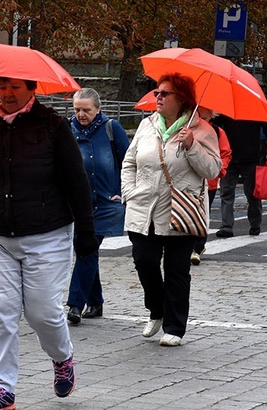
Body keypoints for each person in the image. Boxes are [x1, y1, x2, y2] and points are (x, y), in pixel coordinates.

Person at [0, 77, 98, 409]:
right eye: (1, 86)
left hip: (47, 234)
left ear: (31, 89)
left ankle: (62, 359)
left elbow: (76, 180)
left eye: (14, 87)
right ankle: (2, 389)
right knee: (0, 312)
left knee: (42, 313)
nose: (6, 93)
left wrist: (86, 233)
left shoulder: (53, 125)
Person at [121, 74, 221, 347]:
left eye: (166, 93)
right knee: (145, 262)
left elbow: (213, 170)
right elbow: (129, 162)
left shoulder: (202, 131)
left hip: (181, 211)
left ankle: (175, 327)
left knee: (177, 270)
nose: (159, 97)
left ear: (182, 99)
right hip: (144, 208)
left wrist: (192, 146)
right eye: (157, 92)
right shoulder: (146, 125)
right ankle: (157, 309)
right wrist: (129, 191)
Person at [65, 88, 129, 326]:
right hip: (78, 205)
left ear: (98, 109)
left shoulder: (112, 129)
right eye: (77, 110)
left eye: (86, 110)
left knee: (87, 247)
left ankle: (75, 305)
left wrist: (122, 193)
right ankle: (96, 300)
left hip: (106, 203)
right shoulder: (68, 130)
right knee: (85, 251)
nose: (81, 114)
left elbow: (129, 163)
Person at [214, 114, 267, 238]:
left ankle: (249, 224)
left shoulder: (230, 110)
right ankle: (229, 226)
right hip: (239, 156)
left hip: (245, 157)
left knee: (249, 193)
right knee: (231, 192)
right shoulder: (248, 109)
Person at [192, 107, 232, 265]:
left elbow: (225, 152)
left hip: (209, 182)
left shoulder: (216, 131)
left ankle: (197, 247)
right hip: (189, 180)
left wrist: (219, 171)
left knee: (202, 215)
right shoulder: (186, 127)